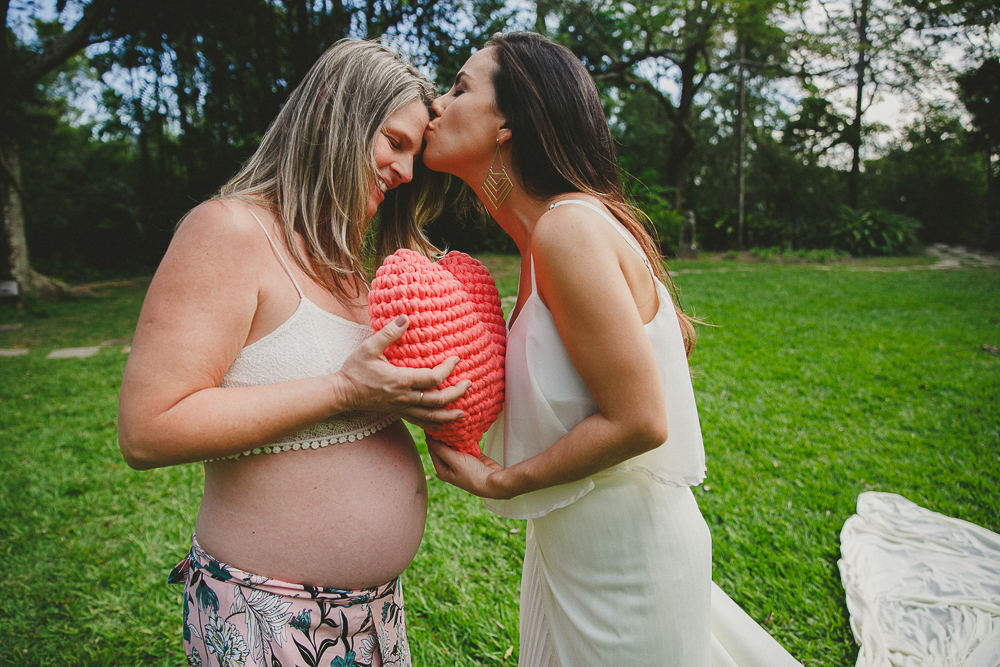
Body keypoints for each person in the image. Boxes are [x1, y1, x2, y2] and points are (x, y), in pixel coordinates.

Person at [422, 32, 803, 667]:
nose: (436, 103)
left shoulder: (568, 228)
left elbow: (639, 420)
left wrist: (504, 481)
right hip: (572, 556)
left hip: (626, 570)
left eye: (459, 88)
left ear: (509, 122)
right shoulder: (545, 239)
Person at [117, 39, 469, 667]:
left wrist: (403, 400)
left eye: (416, 154)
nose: (408, 172)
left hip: (374, 614)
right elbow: (148, 430)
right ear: (337, 118)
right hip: (270, 616)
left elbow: (348, 400)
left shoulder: (347, 265)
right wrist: (343, 391)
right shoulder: (229, 231)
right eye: (394, 142)